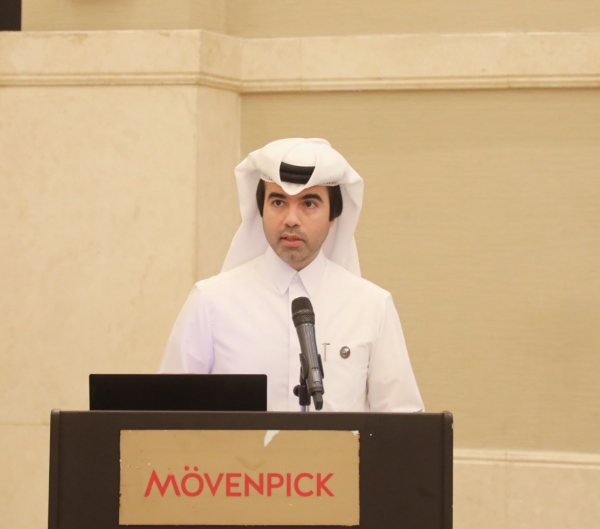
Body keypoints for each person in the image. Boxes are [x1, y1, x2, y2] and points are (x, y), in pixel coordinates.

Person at [160, 138, 423, 413]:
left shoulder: (372, 307)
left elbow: (402, 421)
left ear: (333, 215)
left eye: (309, 204)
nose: (291, 219)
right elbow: (169, 417)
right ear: (261, 209)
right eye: (278, 202)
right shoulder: (210, 302)